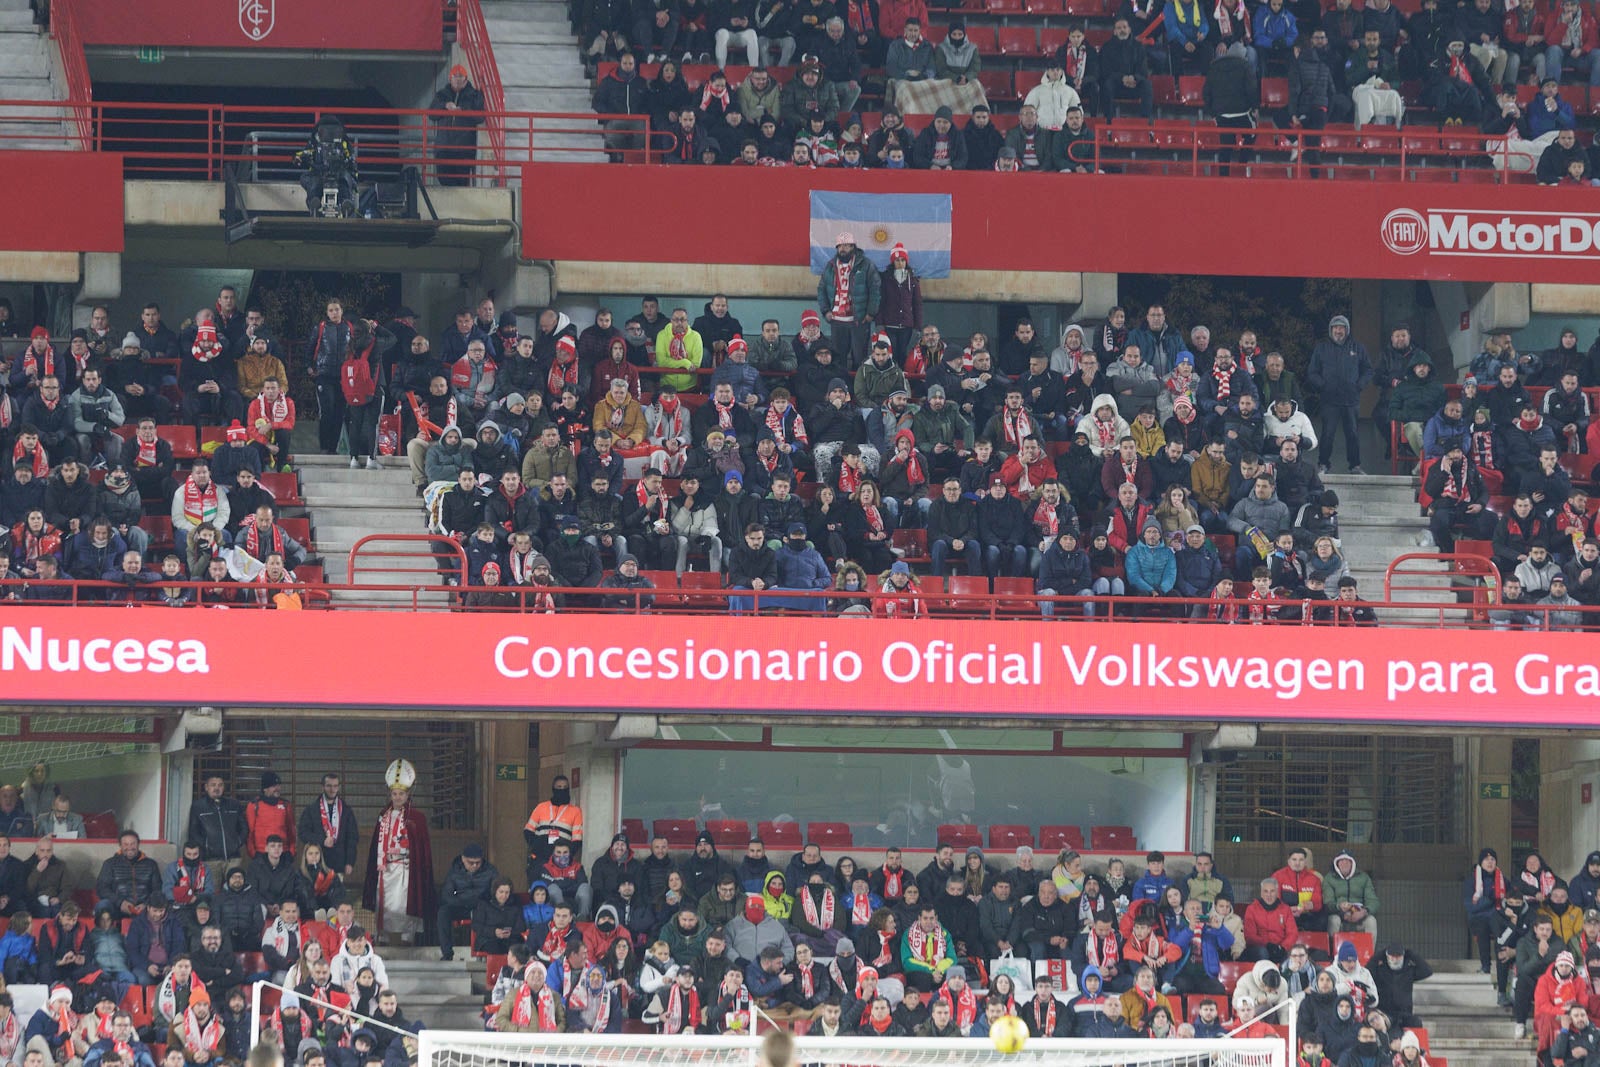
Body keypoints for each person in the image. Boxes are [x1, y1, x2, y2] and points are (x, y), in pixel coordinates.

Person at [361, 760, 435, 946]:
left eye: (401, 794)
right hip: (385, 867)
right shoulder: (383, 814)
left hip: (406, 868)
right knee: (383, 903)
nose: (397, 797)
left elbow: (422, 848)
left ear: (407, 794)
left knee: (405, 903)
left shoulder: (417, 818)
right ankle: (383, 936)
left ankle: (406, 936)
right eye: (394, 794)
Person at [1307, 315, 1373, 474]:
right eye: (1335, 327)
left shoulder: (1357, 348)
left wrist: (1359, 385)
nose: (1338, 330)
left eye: (1342, 327)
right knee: (1327, 434)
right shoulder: (1322, 348)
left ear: (1347, 330)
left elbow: (1368, 370)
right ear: (1331, 330)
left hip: (1351, 400)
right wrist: (1323, 385)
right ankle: (1323, 464)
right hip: (1329, 400)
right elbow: (1312, 372)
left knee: (1353, 434)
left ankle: (1355, 466)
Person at [431, 65, 486, 186]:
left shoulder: (474, 96)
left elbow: (480, 117)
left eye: (460, 77)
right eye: (454, 77)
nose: (457, 80)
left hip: (464, 149)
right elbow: (431, 114)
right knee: (443, 178)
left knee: (461, 183)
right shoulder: (441, 95)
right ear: (450, 79)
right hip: (444, 148)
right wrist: (445, 106)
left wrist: (464, 111)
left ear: (466, 80)